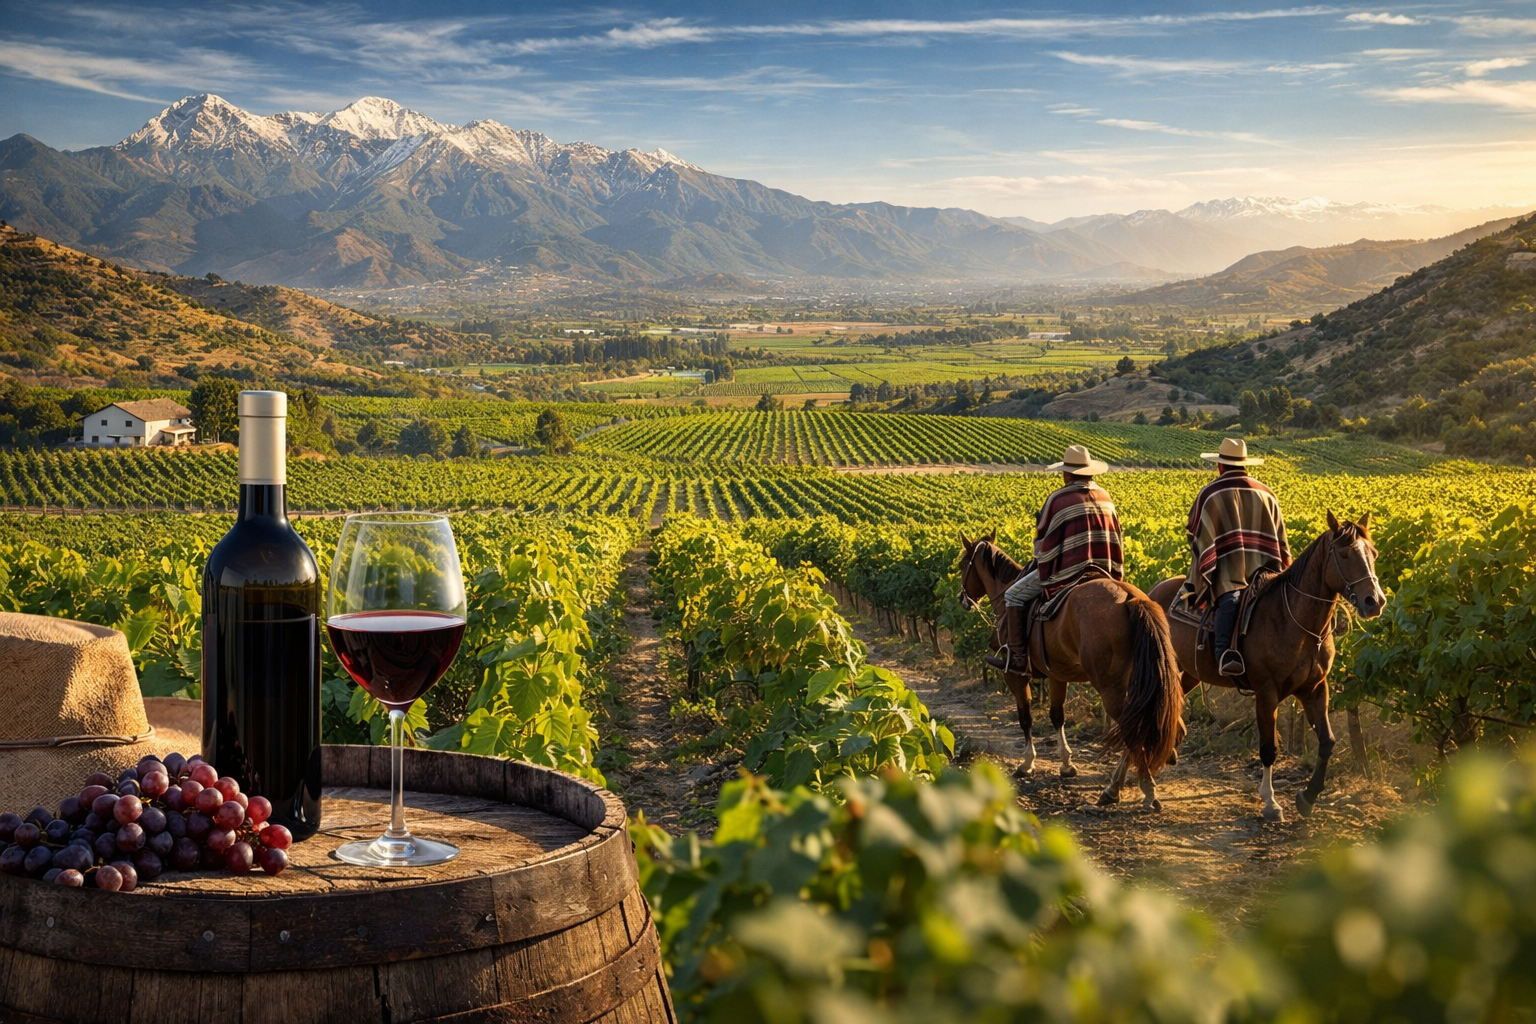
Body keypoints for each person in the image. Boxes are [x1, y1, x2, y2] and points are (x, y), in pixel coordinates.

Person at [985, 444, 1124, 673]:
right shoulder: (1106, 496)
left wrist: (1041, 557)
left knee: (1012, 595)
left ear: (1067, 473)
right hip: (1105, 570)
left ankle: (1017, 657)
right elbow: (1117, 537)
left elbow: (1043, 545)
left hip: (1068, 573)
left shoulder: (1059, 499)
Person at [1186, 437, 1291, 676]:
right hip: (1268, 573)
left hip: (1228, 571)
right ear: (1245, 465)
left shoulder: (1211, 493)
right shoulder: (1267, 493)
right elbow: (1281, 539)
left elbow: (1196, 535)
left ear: (1220, 466)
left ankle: (1224, 653)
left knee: (1228, 598)